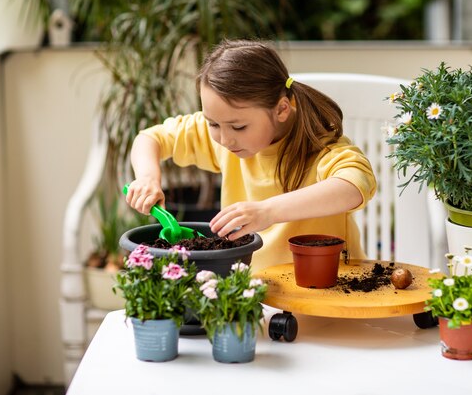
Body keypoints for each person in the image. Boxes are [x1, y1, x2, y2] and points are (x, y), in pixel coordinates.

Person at [125, 39, 377, 271]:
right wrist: (148, 177)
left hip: (326, 290)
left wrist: (267, 211)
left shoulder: (323, 149)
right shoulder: (228, 136)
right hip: (254, 291)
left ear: (281, 109)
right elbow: (151, 138)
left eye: (239, 127)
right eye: (212, 124)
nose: (224, 139)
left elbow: (354, 186)